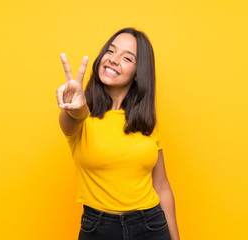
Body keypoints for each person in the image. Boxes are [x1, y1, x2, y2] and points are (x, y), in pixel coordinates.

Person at [56, 27, 180, 240]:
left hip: (151, 226)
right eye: (110, 51)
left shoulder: (146, 121)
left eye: (127, 58)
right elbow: (70, 121)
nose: (113, 59)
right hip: (97, 229)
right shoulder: (81, 117)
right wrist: (76, 110)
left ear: (137, 73)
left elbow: (161, 186)